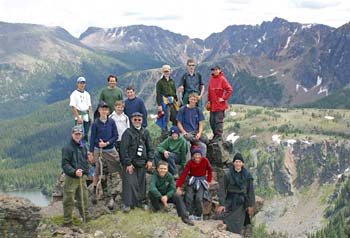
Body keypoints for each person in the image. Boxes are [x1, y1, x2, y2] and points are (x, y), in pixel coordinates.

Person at [120, 112, 154, 212]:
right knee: (129, 183)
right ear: (132, 120)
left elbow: (150, 147)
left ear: (142, 120)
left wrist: (150, 160)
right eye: (135, 119)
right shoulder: (127, 133)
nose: (137, 121)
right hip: (131, 163)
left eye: (139, 119)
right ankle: (127, 204)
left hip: (142, 162)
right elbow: (123, 149)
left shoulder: (145, 132)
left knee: (141, 183)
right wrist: (128, 163)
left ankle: (141, 203)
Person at [88, 101, 120, 209]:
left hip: (110, 149)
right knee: (97, 170)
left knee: (114, 169)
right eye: (102, 109)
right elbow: (92, 138)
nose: (104, 111)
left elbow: (115, 135)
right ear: (99, 110)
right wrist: (91, 153)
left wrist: (107, 143)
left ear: (108, 111)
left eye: (106, 109)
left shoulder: (111, 122)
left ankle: (113, 192)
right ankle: (95, 190)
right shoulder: (95, 123)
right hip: (99, 150)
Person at [217, 153, 255, 234]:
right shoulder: (228, 174)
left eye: (240, 162)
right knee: (219, 216)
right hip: (230, 199)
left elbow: (250, 191)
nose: (238, 163)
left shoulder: (247, 176)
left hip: (241, 201)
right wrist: (222, 204)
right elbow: (222, 189)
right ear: (233, 163)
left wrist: (250, 205)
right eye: (236, 161)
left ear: (242, 163)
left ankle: (233, 232)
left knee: (236, 219)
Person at [149, 161, 194, 226]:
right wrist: (161, 197)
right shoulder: (155, 176)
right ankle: (157, 210)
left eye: (165, 169)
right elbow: (152, 188)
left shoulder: (169, 176)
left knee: (177, 197)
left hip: (166, 196)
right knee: (151, 193)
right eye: (161, 168)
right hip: (158, 197)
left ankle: (185, 217)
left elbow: (173, 189)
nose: (163, 170)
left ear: (167, 169)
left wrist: (167, 196)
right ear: (158, 169)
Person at [61, 126, 90, 226]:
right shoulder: (67, 147)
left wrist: (86, 171)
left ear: (81, 135)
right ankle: (67, 222)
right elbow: (65, 164)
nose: (78, 136)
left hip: (82, 178)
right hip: (71, 178)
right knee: (69, 200)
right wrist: (74, 171)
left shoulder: (83, 146)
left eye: (79, 134)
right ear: (72, 134)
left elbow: (85, 160)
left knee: (84, 199)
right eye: (76, 134)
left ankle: (86, 219)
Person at [176, 146, 213, 220]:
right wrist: (179, 186)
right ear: (193, 156)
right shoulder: (190, 162)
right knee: (188, 196)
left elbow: (210, 170)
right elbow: (184, 174)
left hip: (202, 180)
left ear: (201, 155)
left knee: (199, 198)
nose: (197, 156)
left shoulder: (205, 160)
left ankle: (199, 215)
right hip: (192, 180)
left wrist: (208, 181)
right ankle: (187, 214)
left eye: (199, 155)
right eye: (195, 155)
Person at [177, 92, 209, 157]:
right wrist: (184, 132)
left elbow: (201, 124)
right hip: (185, 133)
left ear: (197, 101)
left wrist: (199, 133)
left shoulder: (198, 110)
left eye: (195, 100)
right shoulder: (183, 109)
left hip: (195, 134)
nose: (193, 101)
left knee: (203, 146)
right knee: (187, 145)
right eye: (192, 99)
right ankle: (187, 164)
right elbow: (179, 123)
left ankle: (201, 164)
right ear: (189, 99)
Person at [207, 66, 233, 142]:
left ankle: (218, 136)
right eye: (213, 70)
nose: (214, 71)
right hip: (212, 105)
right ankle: (215, 135)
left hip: (220, 105)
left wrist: (224, 98)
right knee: (212, 121)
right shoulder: (211, 79)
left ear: (219, 70)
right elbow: (209, 91)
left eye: (216, 70)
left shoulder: (222, 79)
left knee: (218, 121)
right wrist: (209, 101)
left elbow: (230, 89)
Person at [156, 65, 179, 136]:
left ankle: (174, 132)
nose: (166, 72)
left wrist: (177, 100)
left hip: (172, 101)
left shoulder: (172, 81)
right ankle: (164, 133)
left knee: (175, 117)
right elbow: (158, 94)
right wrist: (159, 105)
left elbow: (174, 92)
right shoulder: (160, 82)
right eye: (165, 71)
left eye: (168, 71)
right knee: (165, 118)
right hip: (164, 102)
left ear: (170, 71)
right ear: (163, 72)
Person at [69, 76, 93, 142]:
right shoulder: (74, 94)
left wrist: (91, 117)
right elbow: (73, 106)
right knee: (78, 133)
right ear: (77, 84)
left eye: (83, 83)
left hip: (86, 116)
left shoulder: (87, 94)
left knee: (87, 133)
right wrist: (78, 117)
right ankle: (79, 147)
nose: (82, 85)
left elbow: (90, 106)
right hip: (79, 115)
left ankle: (86, 147)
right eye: (80, 83)